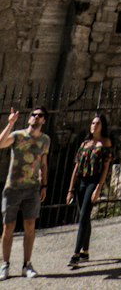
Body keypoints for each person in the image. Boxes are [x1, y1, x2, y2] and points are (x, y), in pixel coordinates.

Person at [0, 104, 49, 280]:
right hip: (13, 188)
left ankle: (26, 265)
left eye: (40, 115)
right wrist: (11, 123)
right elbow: (0, 143)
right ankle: (5, 264)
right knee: (8, 227)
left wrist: (44, 185)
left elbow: (43, 163)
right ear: (29, 118)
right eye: (33, 115)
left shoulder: (45, 140)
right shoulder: (18, 135)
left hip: (32, 188)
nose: (36, 117)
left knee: (30, 226)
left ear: (44, 120)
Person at [66, 113, 113, 269]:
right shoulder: (84, 144)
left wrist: (99, 188)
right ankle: (86, 251)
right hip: (81, 182)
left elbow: (106, 167)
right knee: (84, 215)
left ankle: (76, 254)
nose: (94, 126)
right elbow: (76, 167)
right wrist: (70, 189)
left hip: (93, 182)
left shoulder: (105, 143)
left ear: (102, 126)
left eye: (97, 123)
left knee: (84, 215)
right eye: (92, 123)